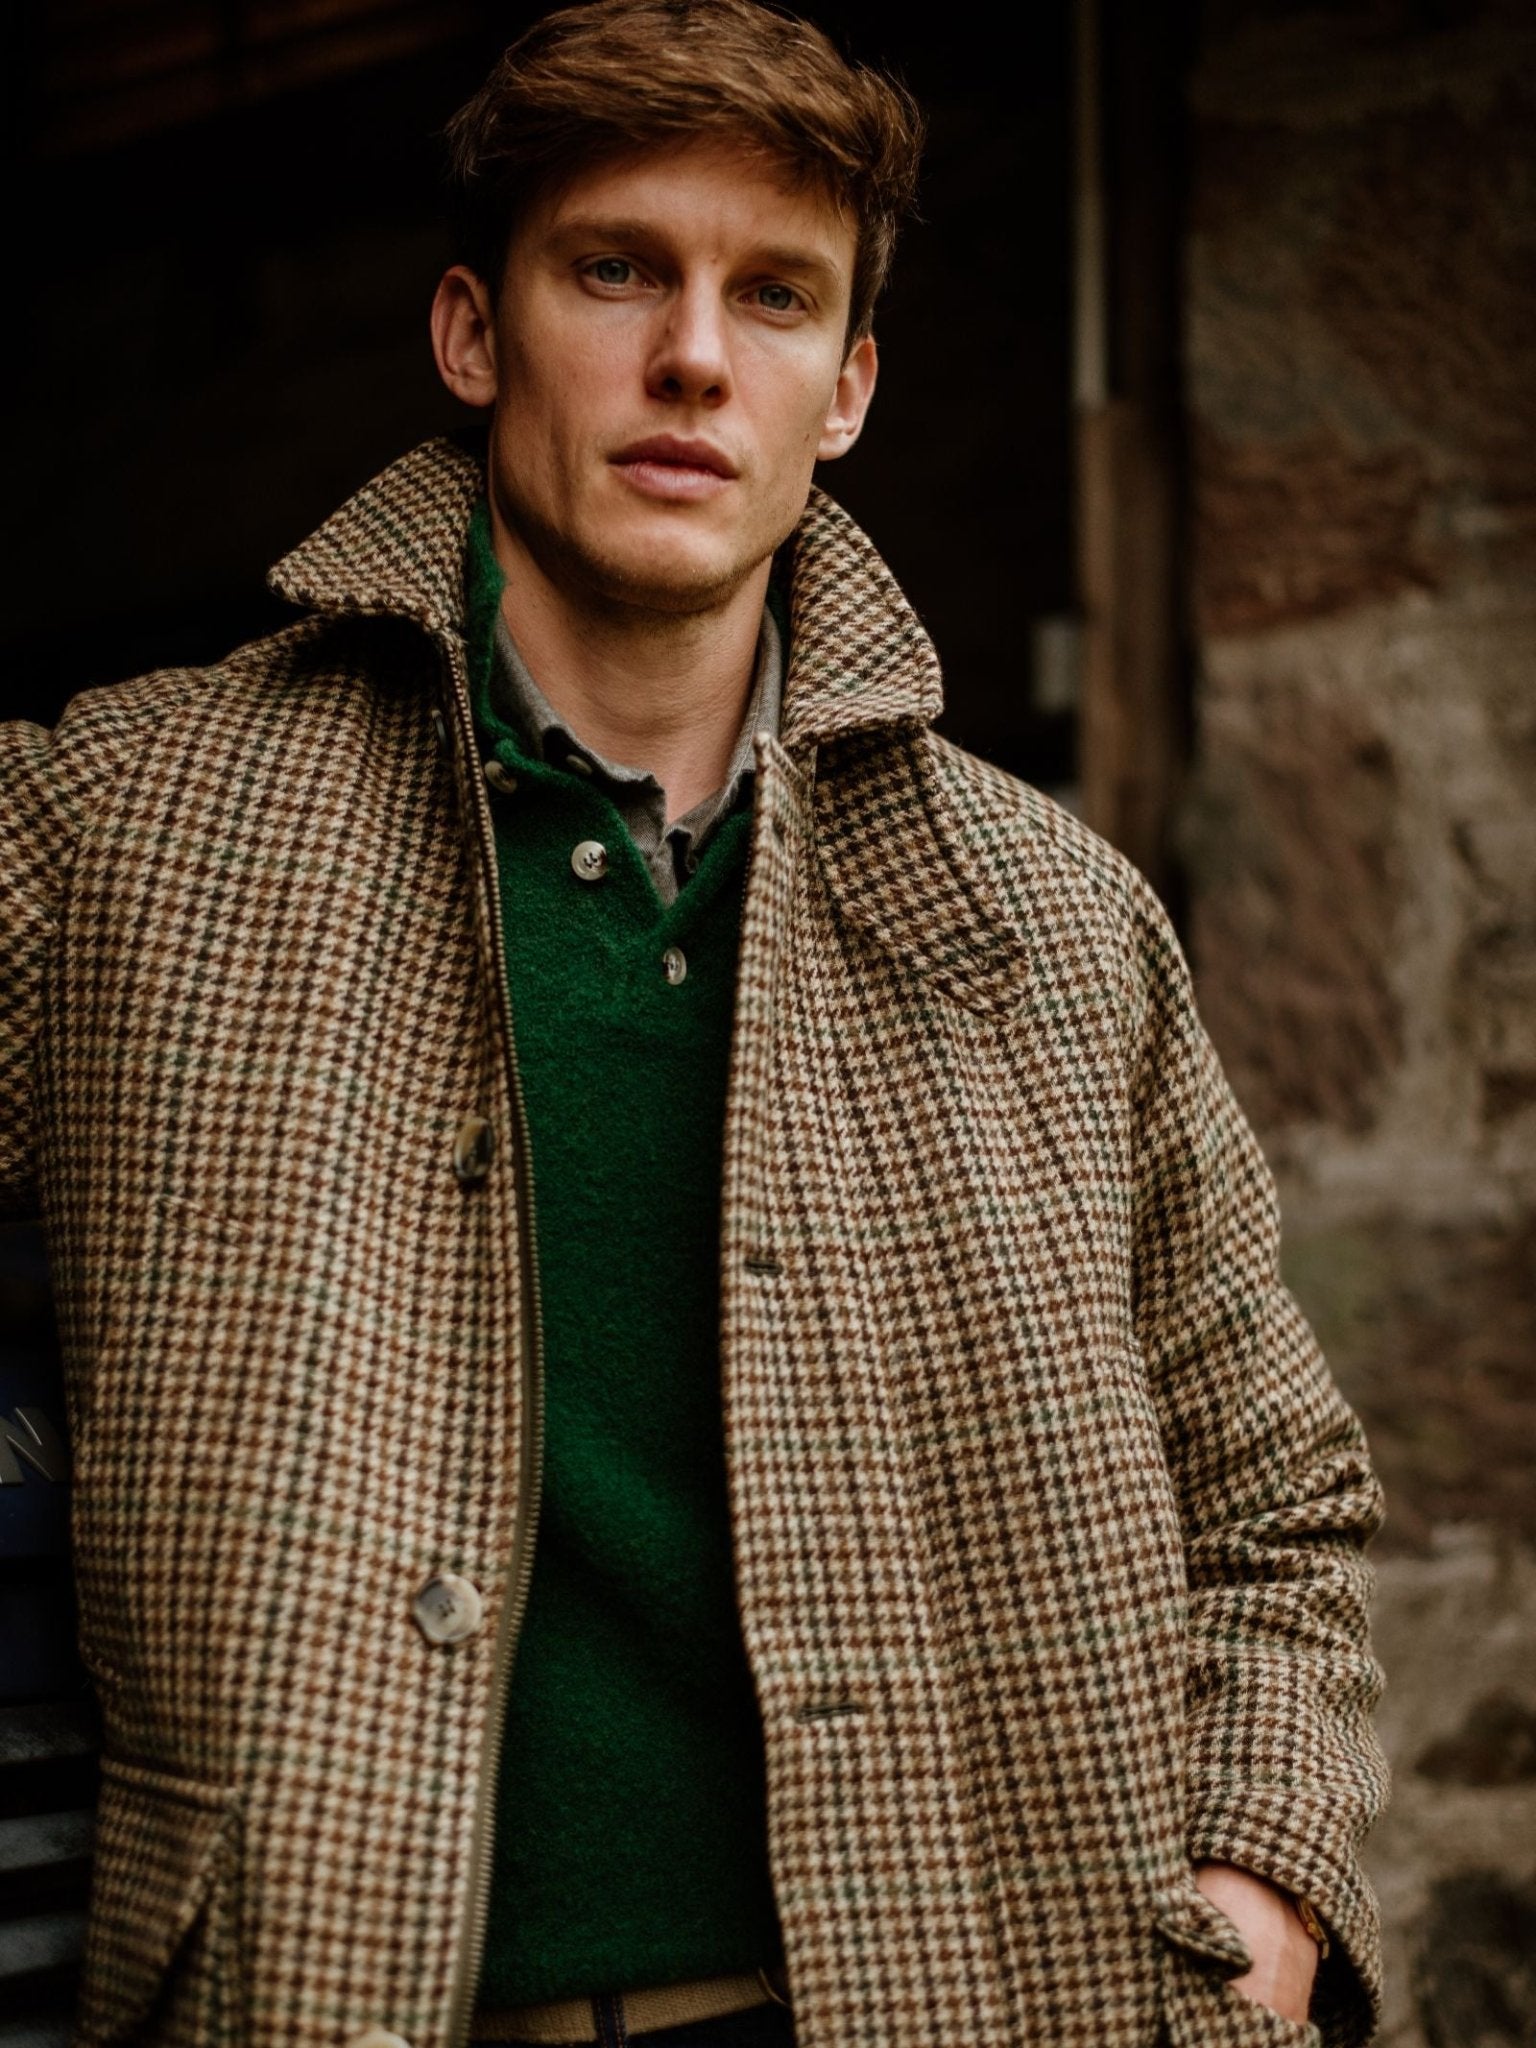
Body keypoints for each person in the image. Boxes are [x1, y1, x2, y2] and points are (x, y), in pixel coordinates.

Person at [0, 3, 1387, 2044]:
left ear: (848, 389)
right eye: (618, 267)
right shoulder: (117, 830)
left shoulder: (1057, 922)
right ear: (474, 333)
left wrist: (1263, 1895)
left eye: (776, 296)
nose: (693, 358)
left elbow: (1281, 1507)